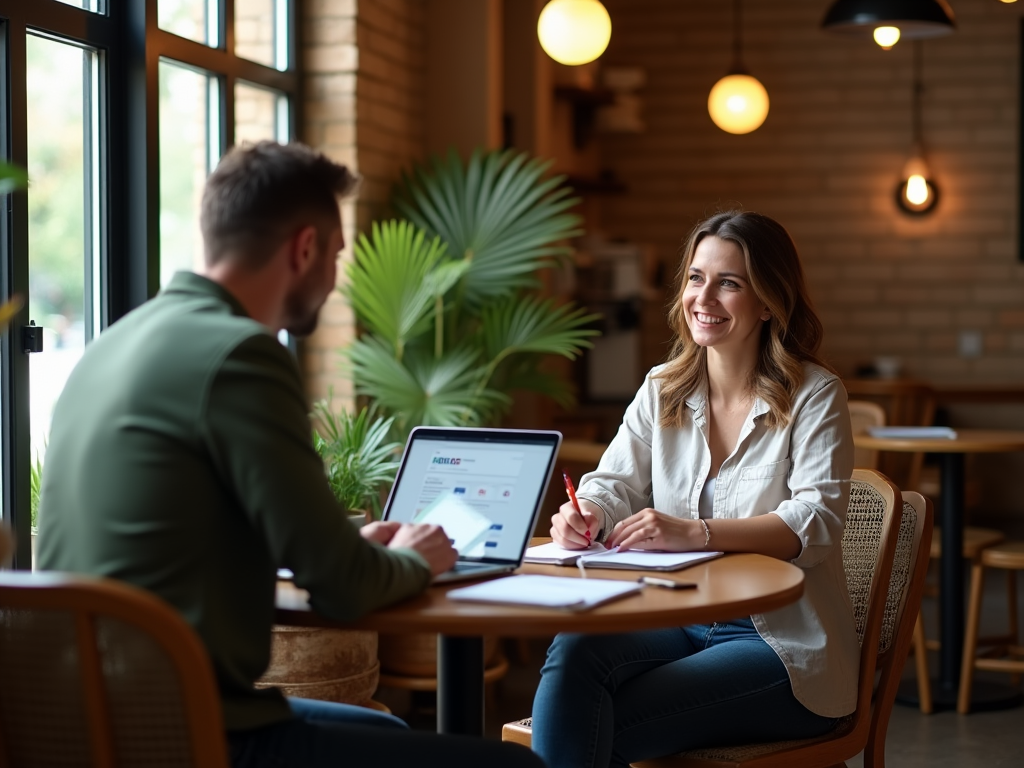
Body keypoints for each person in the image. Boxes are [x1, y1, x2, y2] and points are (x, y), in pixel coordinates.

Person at [38, 141, 545, 768]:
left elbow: (236, 538)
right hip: (186, 732)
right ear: (304, 249)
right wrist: (414, 559)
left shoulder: (113, 344)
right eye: (334, 257)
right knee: (515, 764)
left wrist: (356, 548)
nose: (333, 281)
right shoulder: (240, 356)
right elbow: (341, 591)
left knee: (382, 733)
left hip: (77, 720)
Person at [532, 210, 857, 768]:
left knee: (594, 723)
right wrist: (588, 516)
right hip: (677, 617)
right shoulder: (662, 389)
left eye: (729, 283)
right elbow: (612, 483)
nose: (703, 297)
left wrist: (696, 532)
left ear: (768, 302)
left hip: (780, 644)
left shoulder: (816, 395)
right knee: (575, 654)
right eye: (695, 277)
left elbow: (817, 523)